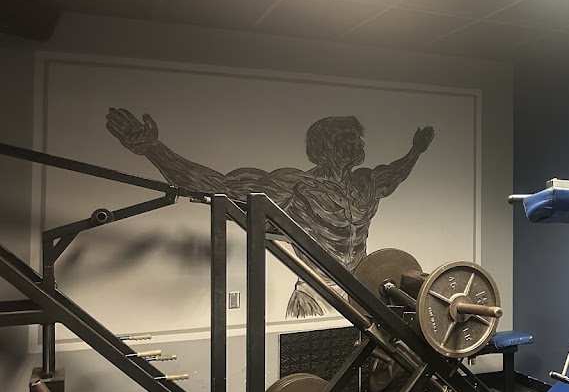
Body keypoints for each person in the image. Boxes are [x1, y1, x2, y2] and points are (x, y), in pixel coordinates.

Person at [105, 109, 434, 318]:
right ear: (326, 147)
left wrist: (415, 151)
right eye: (349, 137)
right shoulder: (298, 186)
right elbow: (217, 184)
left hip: (362, 288)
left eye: (358, 137)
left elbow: (397, 172)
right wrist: (152, 149)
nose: (359, 143)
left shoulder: (367, 183)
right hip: (316, 294)